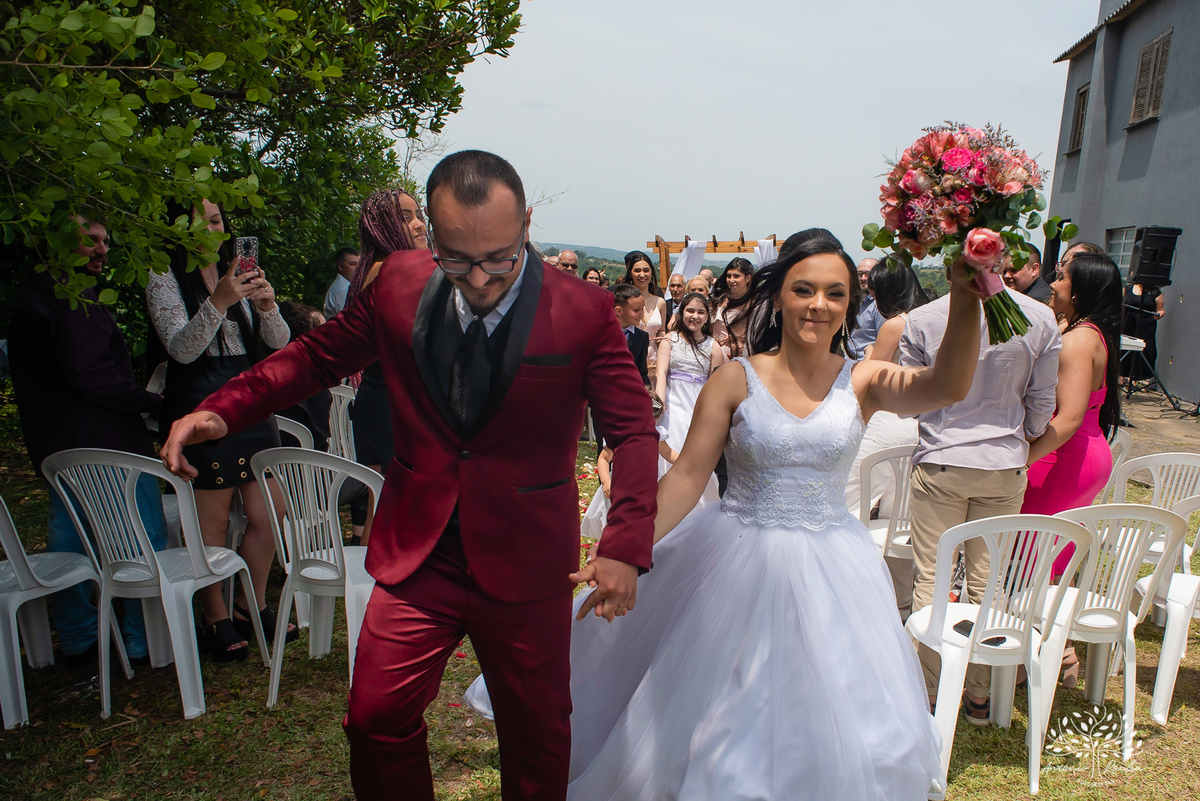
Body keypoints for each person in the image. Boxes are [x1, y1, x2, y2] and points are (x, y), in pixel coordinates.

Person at [159, 150, 658, 800]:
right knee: (374, 719)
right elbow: (316, 357)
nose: (479, 279)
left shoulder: (583, 309)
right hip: (421, 550)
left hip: (529, 556)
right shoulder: (396, 283)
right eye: (456, 258)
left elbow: (633, 431)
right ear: (430, 232)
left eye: (499, 258)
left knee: (536, 734)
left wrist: (623, 545)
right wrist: (224, 408)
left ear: (527, 223)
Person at [558, 234, 986, 799]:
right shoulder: (735, 379)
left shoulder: (864, 379)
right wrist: (624, 548)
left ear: (850, 304)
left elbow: (947, 385)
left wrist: (966, 297)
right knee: (726, 710)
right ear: (779, 296)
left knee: (836, 708)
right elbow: (687, 478)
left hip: (836, 569)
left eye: (835, 293)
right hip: (737, 560)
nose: (819, 305)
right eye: (804, 290)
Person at [900, 262, 1061, 725]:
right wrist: (1019, 435)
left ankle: (932, 690)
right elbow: (1042, 401)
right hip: (1003, 461)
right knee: (988, 582)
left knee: (932, 578)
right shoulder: (1040, 316)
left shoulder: (924, 317)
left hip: (944, 456)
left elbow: (911, 397)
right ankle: (978, 694)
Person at [8, 215, 169, 665]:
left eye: (105, 242)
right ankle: (143, 640)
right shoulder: (70, 293)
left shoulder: (35, 293)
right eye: (91, 240)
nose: (102, 250)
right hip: (104, 443)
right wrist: (156, 404)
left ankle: (79, 636)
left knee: (71, 539)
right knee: (138, 537)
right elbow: (92, 374)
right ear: (57, 240)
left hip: (58, 446)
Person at [1021, 252, 1123, 685]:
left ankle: (1046, 653)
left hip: (1066, 455)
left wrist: (1021, 461)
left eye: (1060, 277)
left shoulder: (1080, 340)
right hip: (1086, 452)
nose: (1053, 283)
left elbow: (1068, 417)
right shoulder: (1091, 333)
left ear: (1078, 291)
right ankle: (1058, 651)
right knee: (1050, 554)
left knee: (1031, 552)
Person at [343, 189, 427, 518]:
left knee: (381, 505)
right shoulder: (392, 270)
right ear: (382, 226)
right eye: (406, 218)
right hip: (394, 403)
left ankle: (369, 554)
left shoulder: (373, 268)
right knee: (403, 509)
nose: (419, 224)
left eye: (419, 215)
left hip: (375, 396)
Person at [655, 292, 725, 454]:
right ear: (682, 313)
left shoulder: (713, 346)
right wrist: (660, 401)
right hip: (672, 399)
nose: (695, 316)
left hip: (698, 400)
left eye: (700, 312)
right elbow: (661, 371)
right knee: (672, 439)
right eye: (690, 311)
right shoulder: (670, 339)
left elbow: (716, 383)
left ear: (706, 317)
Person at [618, 250, 667, 378]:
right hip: (630, 357)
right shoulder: (621, 301)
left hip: (654, 358)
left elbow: (662, 330)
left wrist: (662, 337)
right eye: (637, 270)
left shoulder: (660, 302)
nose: (642, 275)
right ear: (630, 273)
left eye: (646, 270)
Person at [711, 257, 754, 357]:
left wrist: (738, 338)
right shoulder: (718, 300)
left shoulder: (755, 304)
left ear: (747, 278)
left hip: (742, 353)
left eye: (736, 276)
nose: (731, 280)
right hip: (715, 352)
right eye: (729, 276)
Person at [613, 283, 649, 387]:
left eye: (642, 308)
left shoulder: (642, 337)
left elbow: (642, 371)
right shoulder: (602, 334)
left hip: (629, 389)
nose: (642, 313)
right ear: (619, 311)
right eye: (636, 310)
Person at [848, 257, 886, 357]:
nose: (863, 278)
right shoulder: (853, 302)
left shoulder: (879, 305)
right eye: (859, 274)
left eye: (867, 274)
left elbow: (883, 344)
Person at [324, 247, 361, 319]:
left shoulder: (348, 286)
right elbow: (350, 319)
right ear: (340, 266)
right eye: (352, 264)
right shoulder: (342, 290)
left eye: (359, 264)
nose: (358, 268)